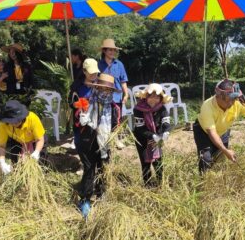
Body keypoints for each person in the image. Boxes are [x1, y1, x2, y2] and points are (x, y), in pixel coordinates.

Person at [193, 79, 245, 173]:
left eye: (233, 100)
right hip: (204, 132)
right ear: (218, 97)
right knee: (206, 159)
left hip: (223, 130)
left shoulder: (237, 102)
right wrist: (225, 150)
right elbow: (212, 133)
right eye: (228, 100)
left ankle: (217, 179)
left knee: (219, 158)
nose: (231, 103)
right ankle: (204, 181)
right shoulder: (207, 106)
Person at [72, 73, 121, 218]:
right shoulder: (87, 102)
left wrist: (111, 135)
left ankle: (101, 193)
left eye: (108, 90)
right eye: (102, 88)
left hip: (104, 143)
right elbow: (77, 121)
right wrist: (82, 117)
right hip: (87, 140)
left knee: (103, 167)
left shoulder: (113, 108)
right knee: (89, 168)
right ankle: (85, 198)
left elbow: (115, 126)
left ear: (111, 92)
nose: (104, 92)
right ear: (97, 88)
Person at [133, 83, 172, 187]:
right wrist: (152, 136)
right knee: (145, 163)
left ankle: (160, 184)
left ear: (160, 98)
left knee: (158, 161)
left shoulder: (162, 108)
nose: (154, 100)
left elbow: (166, 123)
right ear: (146, 97)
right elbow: (140, 129)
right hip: (142, 139)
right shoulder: (138, 109)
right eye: (151, 96)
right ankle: (147, 185)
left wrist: (166, 132)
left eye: (157, 97)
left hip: (158, 138)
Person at [0, 100, 47, 175]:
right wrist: (2, 162)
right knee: (16, 165)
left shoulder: (32, 118)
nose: (15, 123)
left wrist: (36, 152)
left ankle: (40, 177)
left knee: (41, 164)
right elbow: (1, 146)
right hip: (18, 140)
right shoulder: (3, 124)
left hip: (36, 140)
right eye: (12, 121)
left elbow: (40, 139)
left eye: (17, 121)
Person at [98, 38, 129, 149]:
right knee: (103, 119)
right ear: (104, 51)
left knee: (117, 119)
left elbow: (123, 81)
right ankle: (105, 139)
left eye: (114, 50)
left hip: (116, 97)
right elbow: (95, 81)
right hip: (102, 97)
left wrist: (126, 94)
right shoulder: (99, 65)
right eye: (109, 50)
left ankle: (116, 139)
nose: (112, 52)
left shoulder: (119, 64)